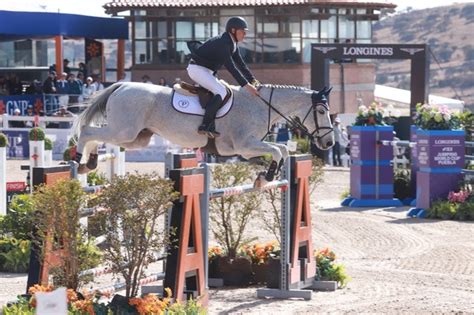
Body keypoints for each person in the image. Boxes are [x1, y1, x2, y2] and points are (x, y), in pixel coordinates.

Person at [186, 16, 259, 138]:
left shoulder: (232, 43)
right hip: (197, 69)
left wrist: (253, 80)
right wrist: (246, 86)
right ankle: (206, 125)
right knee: (221, 91)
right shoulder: (223, 44)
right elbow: (231, 68)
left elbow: (240, 64)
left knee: (224, 91)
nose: (244, 35)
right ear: (233, 30)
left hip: (206, 70)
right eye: (242, 32)